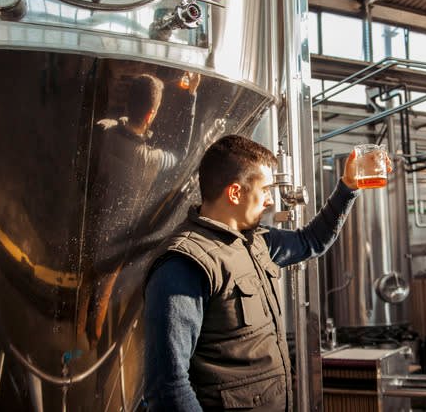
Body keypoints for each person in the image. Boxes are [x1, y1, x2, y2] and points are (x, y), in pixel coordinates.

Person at [143, 135, 377, 411]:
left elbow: (312, 240)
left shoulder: (257, 242)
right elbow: (168, 385)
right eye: (265, 190)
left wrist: (347, 187)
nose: (269, 200)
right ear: (235, 193)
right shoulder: (184, 265)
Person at [78, 72, 200, 346]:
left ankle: (74, 342)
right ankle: (91, 346)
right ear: (150, 115)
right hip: (118, 241)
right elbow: (181, 152)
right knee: (103, 296)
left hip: (90, 227)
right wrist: (190, 96)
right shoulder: (149, 159)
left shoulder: (103, 131)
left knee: (84, 286)